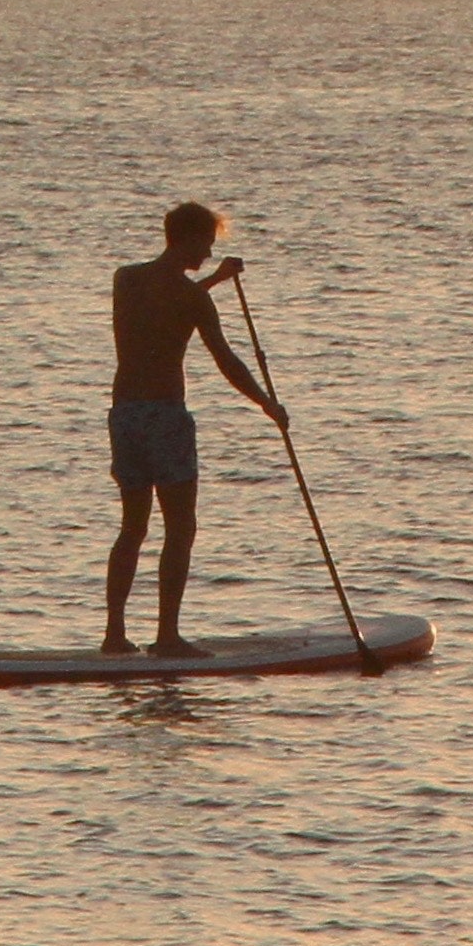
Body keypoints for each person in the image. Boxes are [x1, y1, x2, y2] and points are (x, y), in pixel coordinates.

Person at [104, 199, 284, 655]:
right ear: (184, 238)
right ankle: (166, 637)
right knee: (180, 527)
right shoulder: (193, 299)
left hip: (124, 416)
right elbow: (226, 361)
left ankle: (114, 635)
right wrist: (267, 404)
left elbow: (166, 304)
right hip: (165, 417)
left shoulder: (126, 280)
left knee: (133, 527)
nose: (206, 253)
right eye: (204, 243)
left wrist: (214, 282)